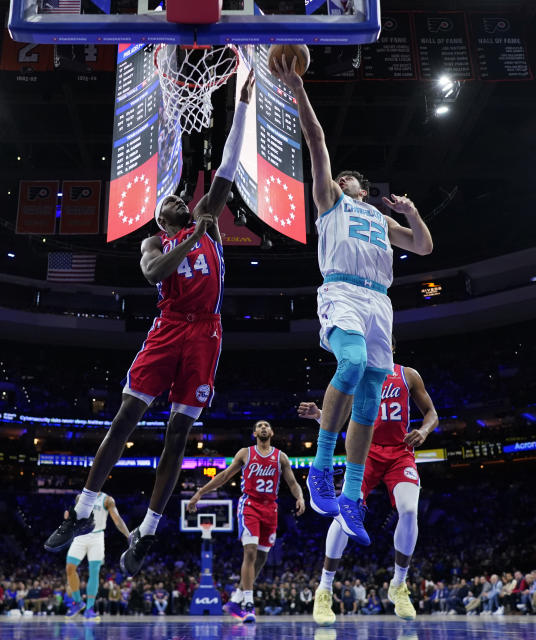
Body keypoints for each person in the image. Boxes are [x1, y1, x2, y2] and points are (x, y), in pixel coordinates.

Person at [44, 71, 257, 577]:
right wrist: (188, 238)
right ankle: (79, 510)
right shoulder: (154, 242)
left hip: (206, 332)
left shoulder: (207, 216)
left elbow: (226, 167)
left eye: (185, 199)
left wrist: (243, 106)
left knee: (178, 437)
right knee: (124, 420)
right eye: (173, 202)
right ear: (162, 216)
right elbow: (155, 273)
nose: (183, 200)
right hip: (167, 328)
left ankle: (147, 531)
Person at [270, 54, 433, 547]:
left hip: (379, 301)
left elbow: (423, 246)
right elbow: (316, 141)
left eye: (349, 179)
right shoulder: (330, 202)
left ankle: (350, 496)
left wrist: (412, 212)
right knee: (354, 362)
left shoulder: (380, 221)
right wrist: (297, 87)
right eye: (339, 178)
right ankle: (320, 464)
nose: (341, 180)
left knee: (368, 392)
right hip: (341, 289)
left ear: (365, 187)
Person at [300, 348, 439, 625]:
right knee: (342, 513)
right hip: (364, 452)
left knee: (410, 509)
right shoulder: (359, 373)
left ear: (390, 346)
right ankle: (324, 589)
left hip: (400, 453)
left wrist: (423, 431)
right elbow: (339, 416)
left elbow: (432, 413)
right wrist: (320, 415)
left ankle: (399, 584)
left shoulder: (408, 374)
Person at [187, 420, 305, 623]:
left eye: (267, 425)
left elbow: (292, 482)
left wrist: (300, 497)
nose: (263, 428)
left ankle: (236, 599)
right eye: (259, 426)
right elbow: (224, 476)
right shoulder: (246, 453)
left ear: (273, 431)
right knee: (249, 552)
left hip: (271, 508)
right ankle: (248, 603)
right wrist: (199, 493)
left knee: (261, 558)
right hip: (250, 505)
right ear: (254, 433)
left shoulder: (281, 457)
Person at [64, 492, 129, 621]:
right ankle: (78, 602)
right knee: (70, 568)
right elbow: (75, 517)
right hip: (80, 535)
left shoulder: (107, 500)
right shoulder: (80, 497)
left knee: (94, 572)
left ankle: (89, 609)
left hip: (97, 537)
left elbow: (117, 519)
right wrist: (68, 519)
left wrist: (128, 535)